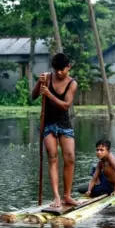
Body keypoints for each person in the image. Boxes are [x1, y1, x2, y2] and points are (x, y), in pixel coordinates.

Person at [31, 53, 79, 207]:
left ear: (68, 67)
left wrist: (49, 95)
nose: (59, 72)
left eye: (62, 70)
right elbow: (33, 96)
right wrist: (39, 83)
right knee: (52, 156)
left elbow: (66, 105)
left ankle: (67, 196)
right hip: (48, 123)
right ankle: (57, 197)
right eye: (56, 69)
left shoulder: (72, 84)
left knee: (70, 157)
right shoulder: (47, 78)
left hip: (64, 123)